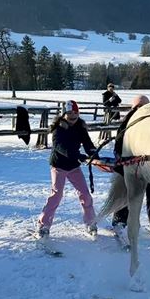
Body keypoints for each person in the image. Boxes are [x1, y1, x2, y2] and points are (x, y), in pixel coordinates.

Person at [36, 100, 98, 239]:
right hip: (59, 165)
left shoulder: (80, 127)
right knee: (56, 195)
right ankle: (43, 224)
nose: (73, 115)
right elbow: (60, 148)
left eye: (75, 112)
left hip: (74, 166)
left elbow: (88, 143)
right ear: (64, 114)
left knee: (85, 194)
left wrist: (94, 153)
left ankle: (91, 222)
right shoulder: (59, 128)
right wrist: (78, 156)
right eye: (69, 113)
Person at [111, 95, 150, 236]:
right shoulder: (128, 122)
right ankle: (120, 220)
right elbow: (119, 142)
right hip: (131, 165)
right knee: (128, 192)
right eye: (139, 107)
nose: (143, 110)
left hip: (149, 164)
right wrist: (120, 158)